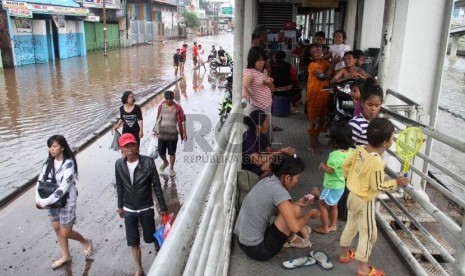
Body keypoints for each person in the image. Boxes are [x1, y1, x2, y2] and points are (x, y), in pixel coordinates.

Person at [339, 118, 409, 276]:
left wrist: (352, 180)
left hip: (351, 195)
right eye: (392, 137)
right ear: (385, 143)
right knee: (368, 234)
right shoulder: (377, 162)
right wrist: (396, 182)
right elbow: (378, 186)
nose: (392, 140)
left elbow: (345, 165)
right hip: (365, 201)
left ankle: (344, 254)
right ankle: (363, 269)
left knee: (351, 224)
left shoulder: (360, 149)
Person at [234, 154, 320, 261]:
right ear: (287, 178)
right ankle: (292, 240)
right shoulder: (279, 191)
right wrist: (310, 214)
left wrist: (298, 202)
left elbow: (279, 207)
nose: (297, 181)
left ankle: (294, 236)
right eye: (297, 178)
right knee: (295, 210)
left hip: (242, 241)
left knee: (295, 207)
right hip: (258, 250)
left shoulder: (268, 180)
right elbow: (294, 227)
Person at [35, 135, 92, 270]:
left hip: (66, 201)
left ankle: (85, 241)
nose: (51, 149)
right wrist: (38, 200)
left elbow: (63, 188)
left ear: (62, 147)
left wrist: (44, 202)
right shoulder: (47, 164)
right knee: (57, 228)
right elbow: (39, 183)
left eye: (54, 146)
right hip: (51, 202)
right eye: (50, 146)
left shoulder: (69, 163)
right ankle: (66, 255)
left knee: (65, 232)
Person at [115, 133, 168, 276]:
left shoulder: (148, 162)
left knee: (148, 237)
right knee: (133, 241)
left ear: (137, 146)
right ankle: (139, 268)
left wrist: (162, 208)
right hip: (129, 208)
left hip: (145, 206)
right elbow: (119, 186)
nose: (130, 148)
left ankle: (156, 241)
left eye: (132, 144)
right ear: (121, 149)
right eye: (126, 146)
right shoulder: (119, 164)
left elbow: (156, 185)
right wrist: (120, 206)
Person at [312, 122, 353, 234]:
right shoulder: (350, 152)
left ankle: (325, 228)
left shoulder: (334, 156)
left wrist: (322, 165)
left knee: (321, 204)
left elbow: (329, 170)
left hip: (332, 185)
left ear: (334, 141)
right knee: (333, 205)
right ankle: (333, 225)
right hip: (340, 185)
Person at [242, 109, 296, 179]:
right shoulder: (248, 138)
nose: (268, 124)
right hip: (248, 171)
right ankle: (255, 184)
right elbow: (257, 161)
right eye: (266, 122)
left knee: (281, 159)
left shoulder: (261, 135)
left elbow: (269, 151)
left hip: (256, 165)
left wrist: (285, 151)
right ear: (259, 126)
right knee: (272, 166)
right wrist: (281, 151)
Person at [306, 44, 336, 153]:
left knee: (321, 119)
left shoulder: (323, 62)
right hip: (314, 96)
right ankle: (311, 145)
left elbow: (332, 71)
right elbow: (323, 75)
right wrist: (333, 63)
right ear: (310, 56)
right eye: (314, 51)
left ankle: (316, 140)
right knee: (314, 120)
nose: (318, 52)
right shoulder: (312, 65)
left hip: (324, 95)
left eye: (318, 49)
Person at [242, 46, 275, 135]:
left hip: (267, 106)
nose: (262, 62)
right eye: (259, 60)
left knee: (267, 132)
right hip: (257, 107)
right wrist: (245, 94)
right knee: (257, 133)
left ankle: (268, 148)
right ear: (252, 60)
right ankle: (262, 148)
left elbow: (272, 89)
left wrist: (269, 83)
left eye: (263, 59)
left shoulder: (263, 71)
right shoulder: (249, 72)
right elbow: (244, 86)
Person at [152, 90, 187, 177]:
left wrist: (184, 133)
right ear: (165, 98)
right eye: (167, 99)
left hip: (173, 135)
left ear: (173, 98)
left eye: (170, 99)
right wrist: (156, 131)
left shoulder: (178, 108)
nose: (169, 101)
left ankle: (171, 168)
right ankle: (165, 162)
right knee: (160, 151)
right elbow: (158, 119)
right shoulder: (161, 107)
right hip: (162, 134)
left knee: (172, 153)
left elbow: (182, 121)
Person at [349, 78, 383, 146]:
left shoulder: (380, 123)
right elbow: (348, 148)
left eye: (377, 105)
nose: (373, 109)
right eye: (370, 105)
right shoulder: (355, 124)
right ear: (362, 102)